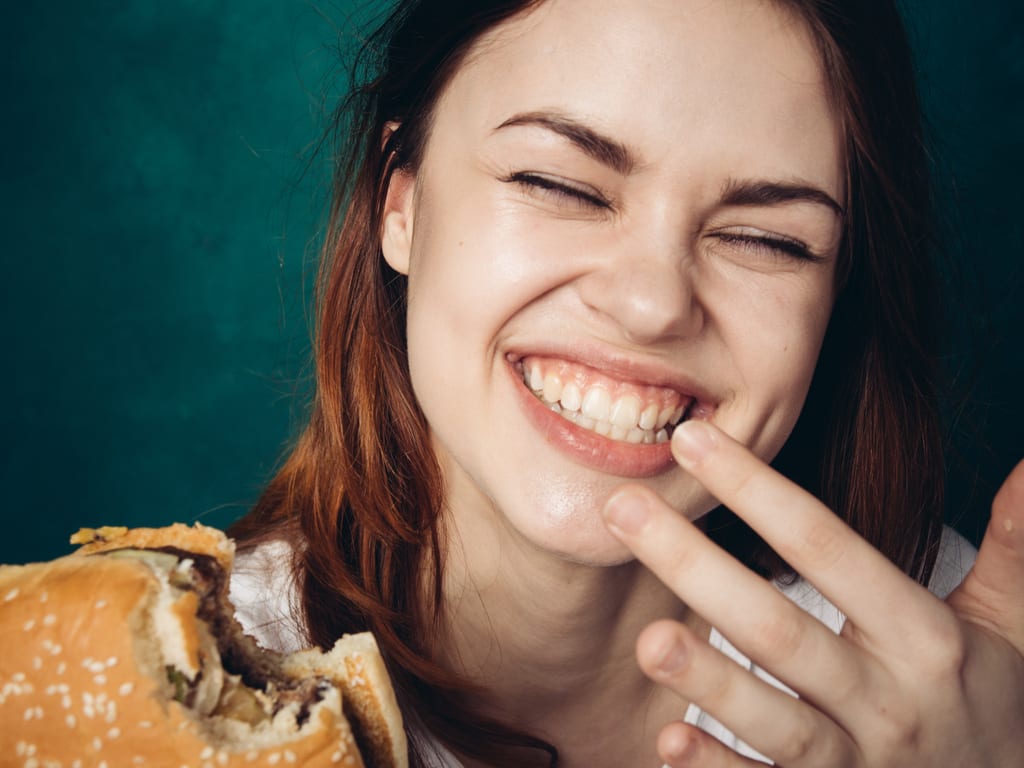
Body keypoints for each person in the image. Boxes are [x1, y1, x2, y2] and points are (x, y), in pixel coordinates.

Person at [227, 0, 1024, 766]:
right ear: (398, 202)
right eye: (559, 185)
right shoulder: (179, 677)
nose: (652, 306)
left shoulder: (965, 678)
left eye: (766, 239)